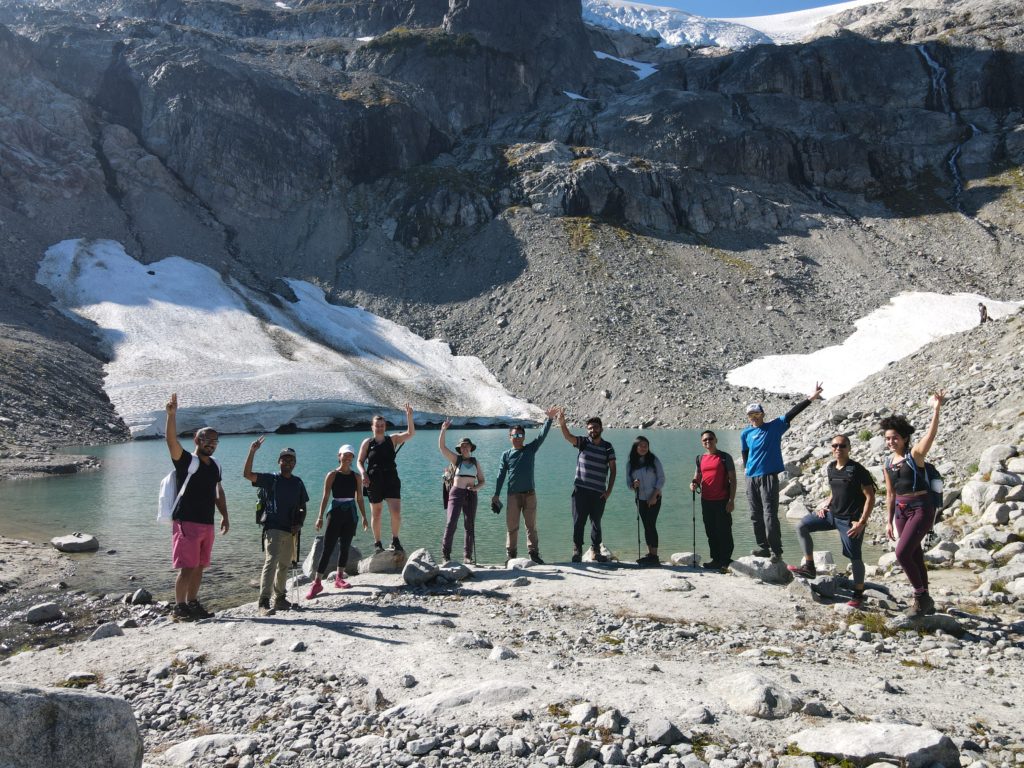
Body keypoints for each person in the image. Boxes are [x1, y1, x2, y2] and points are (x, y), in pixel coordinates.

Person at [788, 434, 876, 607]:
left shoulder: (857, 470)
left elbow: (870, 497)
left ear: (849, 448)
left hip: (850, 520)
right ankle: (809, 566)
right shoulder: (831, 467)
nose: (838, 449)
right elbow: (834, 492)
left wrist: (862, 522)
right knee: (802, 526)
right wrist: (825, 505)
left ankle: (858, 594)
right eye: (835, 445)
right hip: (831, 515)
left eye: (842, 446)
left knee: (855, 556)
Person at [741, 383, 823, 561]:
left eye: (757, 414)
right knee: (755, 515)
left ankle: (776, 551)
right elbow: (745, 451)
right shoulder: (746, 433)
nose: (754, 417)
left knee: (769, 514)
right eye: (750, 415)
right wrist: (747, 468)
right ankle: (763, 547)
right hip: (751, 478)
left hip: (768, 476)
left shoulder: (774, 426)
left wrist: (811, 398)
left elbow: (793, 412)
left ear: (762, 414)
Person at [164, 393, 228, 621]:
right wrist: (171, 416)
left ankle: (192, 602)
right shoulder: (186, 461)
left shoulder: (215, 466)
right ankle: (179, 607)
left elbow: (218, 492)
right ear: (196, 440)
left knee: (200, 566)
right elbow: (171, 442)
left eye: (214, 441)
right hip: (186, 522)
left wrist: (225, 516)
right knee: (187, 567)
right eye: (206, 440)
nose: (211, 444)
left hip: (206, 523)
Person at [882, 392, 945, 617]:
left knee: (902, 553)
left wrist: (936, 409)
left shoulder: (915, 455)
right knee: (915, 555)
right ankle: (925, 599)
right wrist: (888, 521)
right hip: (900, 510)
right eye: (888, 438)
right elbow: (890, 493)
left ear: (905, 438)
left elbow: (931, 435)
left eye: (895, 437)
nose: (891, 442)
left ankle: (920, 597)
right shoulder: (888, 463)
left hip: (921, 507)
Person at [243, 438, 309, 616]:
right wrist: (252, 451)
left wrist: (300, 523)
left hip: (291, 530)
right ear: (279, 461)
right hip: (273, 527)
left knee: (285, 564)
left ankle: (280, 598)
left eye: (291, 459)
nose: (287, 462)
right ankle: (263, 602)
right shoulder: (270, 479)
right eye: (284, 459)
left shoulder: (298, 483)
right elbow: (247, 474)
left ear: (294, 463)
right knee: (271, 562)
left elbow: (303, 506)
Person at [492, 407, 558, 565]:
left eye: (520, 435)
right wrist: (496, 494)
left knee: (531, 526)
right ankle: (511, 555)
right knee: (512, 527)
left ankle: (533, 554)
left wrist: (549, 420)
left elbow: (542, 436)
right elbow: (501, 475)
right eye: (514, 435)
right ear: (510, 437)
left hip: (530, 494)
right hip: (513, 495)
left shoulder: (530, 449)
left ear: (523, 436)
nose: (517, 437)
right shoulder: (506, 455)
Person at [308, 444, 368, 599]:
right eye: (345, 455)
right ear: (339, 456)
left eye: (350, 456)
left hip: (350, 513)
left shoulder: (356, 477)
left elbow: (359, 498)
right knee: (327, 547)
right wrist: (320, 516)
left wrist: (364, 516)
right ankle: (317, 583)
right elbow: (325, 497)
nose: (348, 458)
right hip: (334, 513)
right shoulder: (332, 475)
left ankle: (339, 578)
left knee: (345, 546)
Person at [558, 409, 616, 563]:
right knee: (578, 521)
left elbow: (613, 469)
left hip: (598, 492)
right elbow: (568, 437)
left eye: (595, 427)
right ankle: (577, 550)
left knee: (596, 522)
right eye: (590, 428)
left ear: (601, 429)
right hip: (581, 491)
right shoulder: (583, 442)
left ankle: (595, 551)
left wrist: (609, 491)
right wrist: (562, 424)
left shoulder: (608, 447)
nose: (592, 430)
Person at [358, 404, 415, 553]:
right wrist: (363, 473)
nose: (380, 428)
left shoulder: (393, 439)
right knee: (376, 514)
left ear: (385, 427)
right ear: (372, 427)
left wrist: (409, 416)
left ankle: (395, 540)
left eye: (382, 425)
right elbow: (359, 461)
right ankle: (377, 544)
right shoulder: (367, 443)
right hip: (373, 480)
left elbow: (410, 433)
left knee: (395, 512)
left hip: (391, 478)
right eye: (377, 425)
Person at [438, 420, 485, 563]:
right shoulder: (456, 460)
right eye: (462, 446)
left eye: (467, 446)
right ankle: (446, 554)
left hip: (471, 495)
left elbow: (482, 481)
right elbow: (442, 448)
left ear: (471, 447)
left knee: (469, 525)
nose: (465, 448)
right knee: (451, 522)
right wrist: (443, 430)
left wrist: (476, 488)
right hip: (456, 493)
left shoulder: (475, 462)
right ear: (460, 449)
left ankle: (467, 556)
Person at [690, 430, 736, 570]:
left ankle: (726, 560)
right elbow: (697, 476)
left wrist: (731, 500)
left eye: (710, 439)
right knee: (711, 531)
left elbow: (733, 480)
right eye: (705, 440)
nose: (708, 441)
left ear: (716, 440)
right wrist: (693, 484)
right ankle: (715, 559)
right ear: (702, 442)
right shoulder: (700, 458)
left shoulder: (724, 457)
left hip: (722, 500)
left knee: (724, 531)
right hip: (706, 500)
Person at [626, 436, 665, 566]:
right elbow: (628, 483)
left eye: (645, 446)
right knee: (646, 526)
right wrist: (633, 484)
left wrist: (654, 495)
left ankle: (654, 556)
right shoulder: (631, 463)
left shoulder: (653, 460)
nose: (643, 448)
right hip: (640, 499)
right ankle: (650, 554)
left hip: (654, 498)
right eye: (640, 445)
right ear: (635, 447)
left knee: (651, 524)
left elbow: (661, 478)